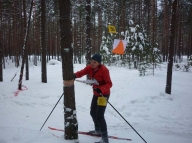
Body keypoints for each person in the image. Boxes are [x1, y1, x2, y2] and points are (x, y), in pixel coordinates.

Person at [74, 54, 112, 143]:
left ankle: (105, 138)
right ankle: (97, 129)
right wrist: (74, 75)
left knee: (100, 115)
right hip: (96, 93)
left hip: (103, 94)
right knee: (92, 112)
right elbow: (81, 72)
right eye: (91, 61)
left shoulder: (104, 70)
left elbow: (109, 84)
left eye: (95, 62)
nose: (92, 63)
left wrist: (101, 89)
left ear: (99, 63)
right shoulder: (89, 68)